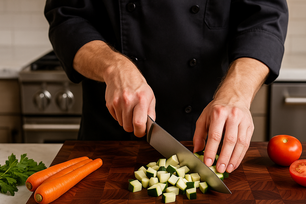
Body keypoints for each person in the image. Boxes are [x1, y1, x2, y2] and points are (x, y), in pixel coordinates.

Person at [44, 0, 288, 174]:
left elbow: (264, 18)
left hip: (207, 133)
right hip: (109, 138)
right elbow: (66, 17)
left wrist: (236, 93)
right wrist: (113, 67)